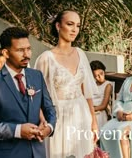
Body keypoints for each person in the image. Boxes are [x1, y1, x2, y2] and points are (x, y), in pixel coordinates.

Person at [34, 9, 99, 158]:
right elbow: (36, 94)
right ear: (58, 26)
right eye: (70, 24)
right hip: (58, 117)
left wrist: (93, 121)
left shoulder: (80, 53)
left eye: (77, 25)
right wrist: (44, 121)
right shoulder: (46, 58)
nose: (74, 29)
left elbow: (86, 91)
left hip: (81, 114)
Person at [0, 27, 56, 158]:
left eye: (28, 49)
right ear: (6, 53)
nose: (27, 55)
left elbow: (49, 108)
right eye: (20, 50)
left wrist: (49, 127)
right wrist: (17, 131)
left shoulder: (37, 76)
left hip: (38, 153)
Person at [90, 60, 112, 129]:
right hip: (90, 109)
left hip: (100, 111)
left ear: (104, 71)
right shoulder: (92, 84)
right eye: (96, 76)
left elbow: (104, 105)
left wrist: (91, 109)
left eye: (101, 73)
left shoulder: (107, 85)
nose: (100, 77)